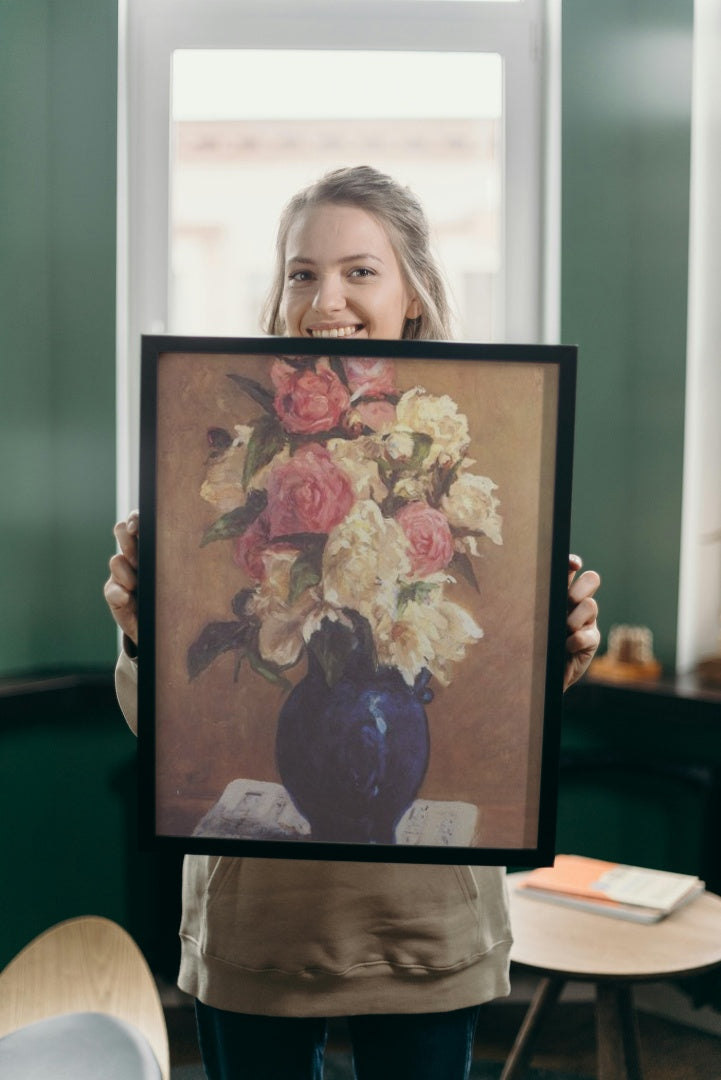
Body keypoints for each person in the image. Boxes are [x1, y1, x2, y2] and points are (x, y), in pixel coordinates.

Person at [105, 166, 601, 1080]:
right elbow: (162, 726)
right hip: (258, 925)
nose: (323, 298)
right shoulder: (215, 453)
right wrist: (143, 634)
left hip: (421, 924)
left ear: (412, 292)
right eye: (301, 272)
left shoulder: (471, 445)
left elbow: (492, 694)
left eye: (358, 271)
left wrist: (559, 649)